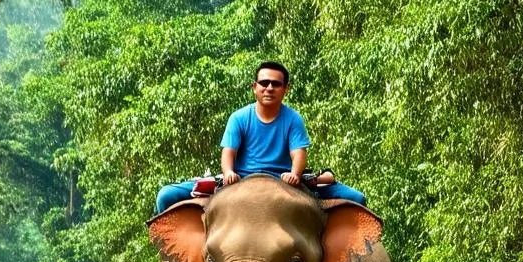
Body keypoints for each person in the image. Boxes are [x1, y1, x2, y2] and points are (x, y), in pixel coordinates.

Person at [154, 61, 366, 212]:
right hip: (241, 179)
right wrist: (228, 172)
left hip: (284, 181)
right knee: (166, 195)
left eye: (276, 84)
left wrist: (294, 174)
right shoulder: (239, 118)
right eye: (264, 83)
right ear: (254, 87)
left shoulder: (293, 119)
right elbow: (229, 152)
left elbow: (299, 153)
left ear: (286, 89)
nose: (269, 88)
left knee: (357, 199)